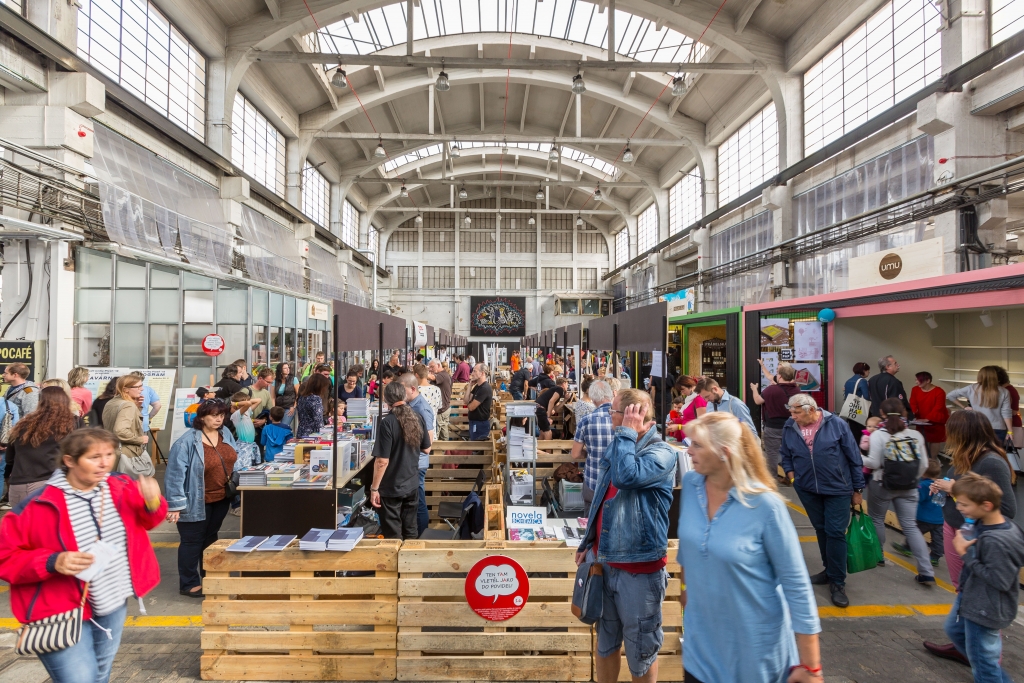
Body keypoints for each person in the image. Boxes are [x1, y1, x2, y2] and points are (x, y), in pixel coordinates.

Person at [0, 429, 166, 683]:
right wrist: (52, 561)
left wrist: (153, 501)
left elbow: (148, 520)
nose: (105, 463)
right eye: (94, 457)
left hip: (113, 600)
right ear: (69, 460)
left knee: (100, 674)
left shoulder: (120, 486)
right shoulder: (37, 505)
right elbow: (5, 558)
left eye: (110, 454)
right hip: (58, 609)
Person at [677, 412, 822, 683]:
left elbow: (797, 586)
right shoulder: (691, 484)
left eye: (697, 444)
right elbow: (688, 549)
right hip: (701, 652)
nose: (689, 450)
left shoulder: (766, 506)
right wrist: (686, 592)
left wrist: (811, 666)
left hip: (755, 657)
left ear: (724, 453)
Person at [575, 389, 676, 683]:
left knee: (641, 652)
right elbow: (602, 495)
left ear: (635, 414)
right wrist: (588, 542)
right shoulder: (620, 445)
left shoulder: (662, 453)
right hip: (604, 561)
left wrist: (626, 436)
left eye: (615, 413)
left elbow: (626, 477)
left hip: (639, 572)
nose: (610, 418)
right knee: (605, 643)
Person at [922, 410, 1018, 666]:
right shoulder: (964, 457)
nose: (947, 436)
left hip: (976, 538)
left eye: (951, 431)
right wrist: (943, 487)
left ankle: (987, 658)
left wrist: (953, 488)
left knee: (978, 596)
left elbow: (1007, 509)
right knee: (963, 590)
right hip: (956, 528)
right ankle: (964, 645)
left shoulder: (991, 462)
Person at [780, 393, 864, 608]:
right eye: (791, 412)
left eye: (796, 412)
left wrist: (857, 489)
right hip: (807, 488)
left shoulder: (836, 424)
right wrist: (792, 476)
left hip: (837, 488)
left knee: (835, 532)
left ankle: (837, 582)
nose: (793, 416)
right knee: (820, 528)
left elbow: (854, 458)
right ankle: (829, 571)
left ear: (810, 409)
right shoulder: (790, 426)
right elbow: (786, 454)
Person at [943, 473, 1024, 683]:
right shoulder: (991, 523)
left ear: (986, 505)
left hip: (985, 608)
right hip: (972, 599)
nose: (959, 508)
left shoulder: (997, 540)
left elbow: (1000, 580)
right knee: (954, 630)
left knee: (984, 665)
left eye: (964, 504)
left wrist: (964, 554)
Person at [164, 400, 239, 597]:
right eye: (214, 415)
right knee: (192, 541)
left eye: (221, 415)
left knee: (211, 539)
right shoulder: (186, 442)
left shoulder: (226, 434)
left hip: (221, 497)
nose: (218, 419)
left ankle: (209, 577)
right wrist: (175, 505)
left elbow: (233, 459)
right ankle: (188, 584)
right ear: (202, 417)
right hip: (195, 499)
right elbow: (174, 475)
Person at [864, 398, 935, 584]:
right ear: (904, 413)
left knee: (877, 519)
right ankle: (927, 572)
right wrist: (912, 479)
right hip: (910, 487)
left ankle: (878, 556)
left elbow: (874, 463)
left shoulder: (879, 435)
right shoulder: (915, 435)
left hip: (882, 484)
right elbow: (924, 465)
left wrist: (858, 457)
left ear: (882, 414)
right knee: (911, 526)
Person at [369, 382, 430, 539]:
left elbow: (382, 461)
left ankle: (396, 563)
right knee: (410, 529)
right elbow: (426, 448)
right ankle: (411, 562)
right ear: (404, 396)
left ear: (386, 400)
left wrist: (374, 489)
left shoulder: (387, 422)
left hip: (391, 486)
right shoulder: (417, 417)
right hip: (411, 483)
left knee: (393, 534)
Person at [3, 386, 80, 506]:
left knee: (22, 524)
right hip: (52, 484)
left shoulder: (23, 424)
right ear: (66, 400)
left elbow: (9, 459)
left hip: (19, 485)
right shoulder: (73, 423)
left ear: (40, 402)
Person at [750, 362, 802, 480]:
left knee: (772, 453)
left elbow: (758, 401)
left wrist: (754, 389)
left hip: (773, 426)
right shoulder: (798, 391)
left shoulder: (771, 390)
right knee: (792, 451)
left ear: (779, 377)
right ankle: (793, 476)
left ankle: (772, 478)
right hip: (792, 426)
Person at [399, 371, 436, 535]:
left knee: (419, 502)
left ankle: (422, 535)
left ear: (412, 388)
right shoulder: (412, 406)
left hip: (417, 464)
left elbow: (428, 444)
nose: (400, 394)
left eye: (402, 389)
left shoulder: (421, 408)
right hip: (412, 463)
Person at [891, 458, 945, 568]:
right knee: (937, 539)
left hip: (924, 518)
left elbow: (917, 498)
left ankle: (907, 547)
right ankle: (935, 556)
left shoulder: (924, 485)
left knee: (915, 533)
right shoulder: (942, 485)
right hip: (939, 519)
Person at [102, 376, 154, 478]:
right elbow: (120, 431)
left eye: (141, 386)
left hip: (112, 451)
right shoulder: (128, 405)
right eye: (138, 387)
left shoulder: (112, 402)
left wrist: (136, 406)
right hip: (127, 454)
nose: (142, 389)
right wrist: (139, 439)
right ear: (125, 389)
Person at [946, 366, 1012, 443]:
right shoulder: (1004, 391)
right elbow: (1006, 412)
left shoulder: (972, 388)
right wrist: (1010, 431)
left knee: (977, 452)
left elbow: (950, 395)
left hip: (977, 426)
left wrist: (964, 407)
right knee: (995, 453)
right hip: (998, 427)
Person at [910, 371, 948, 458]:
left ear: (928, 380)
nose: (916, 382)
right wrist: (912, 413)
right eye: (916, 380)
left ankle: (933, 460)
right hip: (920, 418)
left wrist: (927, 419)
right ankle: (924, 460)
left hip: (936, 419)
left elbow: (939, 407)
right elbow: (913, 403)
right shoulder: (915, 389)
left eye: (919, 380)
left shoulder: (939, 391)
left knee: (934, 440)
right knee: (921, 439)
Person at [295, 373, 333, 439]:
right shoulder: (315, 399)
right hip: (312, 434)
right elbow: (318, 420)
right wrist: (324, 434)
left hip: (301, 431)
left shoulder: (302, 397)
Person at [465, 364, 493, 441]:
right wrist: (470, 386)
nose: (472, 373)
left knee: (477, 449)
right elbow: (466, 400)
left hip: (480, 424)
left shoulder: (484, 388)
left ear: (482, 373)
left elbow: (471, 407)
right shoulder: (478, 386)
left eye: (474, 371)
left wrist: (469, 403)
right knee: (474, 447)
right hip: (474, 422)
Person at [995, 366, 1021, 446]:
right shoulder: (1006, 390)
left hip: (1010, 424)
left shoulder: (1007, 391)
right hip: (1008, 424)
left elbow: (1013, 411)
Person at [429, 360, 453, 440]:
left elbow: (431, 377)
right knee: (443, 430)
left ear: (438, 365)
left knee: (437, 433)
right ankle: (445, 450)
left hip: (441, 409)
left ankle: (442, 450)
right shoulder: (444, 374)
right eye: (430, 367)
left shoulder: (441, 375)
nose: (430, 369)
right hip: (444, 407)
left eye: (432, 367)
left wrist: (420, 372)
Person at [274, 362, 299, 426]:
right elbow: (273, 396)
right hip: (278, 407)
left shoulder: (293, 379)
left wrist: (293, 407)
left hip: (289, 407)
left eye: (288, 367)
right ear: (280, 370)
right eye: (285, 368)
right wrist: (273, 409)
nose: (288, 369)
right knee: (277, 425)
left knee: (284, 425)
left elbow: (298, 395)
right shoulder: (276, 381)